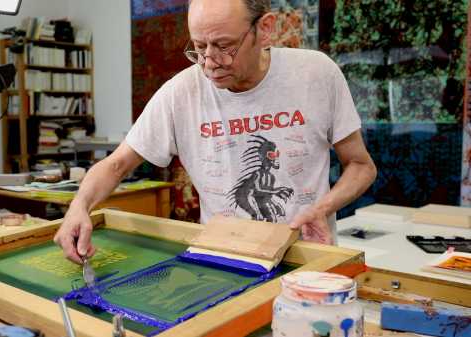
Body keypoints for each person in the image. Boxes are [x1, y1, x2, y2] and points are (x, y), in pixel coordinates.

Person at [54, 0, 377, 264]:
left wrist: (321, 209)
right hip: (226, 257)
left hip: (310, 255)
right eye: (199, 47)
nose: (210, 63)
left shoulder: (316, 73)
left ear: (264, 29)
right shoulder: (180, 92)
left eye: (224, 46)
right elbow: (116, 165)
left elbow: (361, 166)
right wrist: (79, 206)